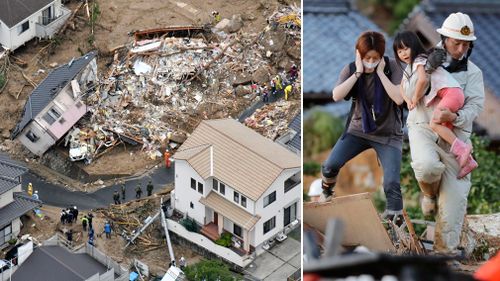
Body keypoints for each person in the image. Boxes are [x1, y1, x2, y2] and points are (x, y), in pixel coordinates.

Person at [405, 12, 484, 254]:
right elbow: (408, 94)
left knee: (454, 205)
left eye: (465, 44)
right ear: (444, 38)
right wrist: (426, 72)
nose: (460, 48)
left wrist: (456, 117)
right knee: (427, 167)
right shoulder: (422, 59)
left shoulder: (474, 73)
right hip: (423, 128)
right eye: (455, 42)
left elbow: (476, 106)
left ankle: (445, 257)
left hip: (456, 137)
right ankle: (428, 194)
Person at [321, 31, 404, 222]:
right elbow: (336, 95)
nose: (371, 62)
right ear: (358, 53)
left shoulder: (392, 67)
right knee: (329, 166)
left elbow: (399, 98)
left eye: (376, 58)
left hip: (388, 134)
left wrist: (381, 73)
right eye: (367, 58)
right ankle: (327, 192)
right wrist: (358, 72)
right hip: (358, 130)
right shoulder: (351, 69)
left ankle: (395, 220)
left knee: (392, 183)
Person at [393, 31, 478, 179]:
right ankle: (468, 162)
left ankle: (465, 150)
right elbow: (401, 86)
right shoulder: (410, 68)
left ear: (414, 46)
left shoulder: (420, 60)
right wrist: (408, 100)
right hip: (452, 94)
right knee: (444, 133)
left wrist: (415, 97)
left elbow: (423, 81)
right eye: (399, 51)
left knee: (434, 124)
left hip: (451, 94)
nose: (403, 53)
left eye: (406, 48)